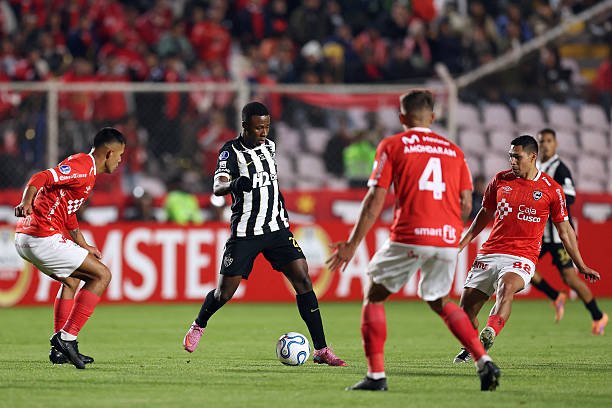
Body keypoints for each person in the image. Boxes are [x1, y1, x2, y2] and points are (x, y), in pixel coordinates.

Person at [326, 90, 499, 392]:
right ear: (433, 117)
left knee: (374, 295)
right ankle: (483, 360)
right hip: (447, 237)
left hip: (410, 232)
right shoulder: (454, 151)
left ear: (402, 117)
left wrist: (352, 244)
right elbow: (466, 204)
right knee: (440, 300)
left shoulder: (392, 145)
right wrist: (445, 227)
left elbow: (375, 199)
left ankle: (376, 376)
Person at [182, 102, 346, 366]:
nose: (264, 132)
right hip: (246, 231)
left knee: (303, 280)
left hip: (276, 228)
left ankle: (321, 349)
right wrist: (235, 183)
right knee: (224, 293)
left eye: (267, 126)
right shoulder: (230, 152)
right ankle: (199, 324)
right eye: (259, 127)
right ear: (245, 126)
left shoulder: (270, 146)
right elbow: (217, 186)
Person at [453, 135, 601, 364]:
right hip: (490, 252)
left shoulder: (552, 190)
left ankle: (490, 332)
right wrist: (462, 243)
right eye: (510, 156)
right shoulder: (500, 180)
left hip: (522, 256)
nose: (512, 161)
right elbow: (485, 214)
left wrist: (580, 265)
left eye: (517, 157)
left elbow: (565, 231)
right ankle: (473, 346)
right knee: (466, 312)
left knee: (506, 288)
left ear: (532, 157)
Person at [13, 127, 126, 369]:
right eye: (119, 155)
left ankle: (59, 350)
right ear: (109, 153)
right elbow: (41, 177)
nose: (120, 161)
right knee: (102, 275)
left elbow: (68, 212)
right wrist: (26, 201)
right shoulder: (82, 166)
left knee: (72, 281)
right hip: (41, 235)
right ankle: (67, 338)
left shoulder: (87, 172)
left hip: (28, 237)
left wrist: (84, 245)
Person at [531, 128, 607, 331]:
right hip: (539, 234)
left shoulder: (560, 169)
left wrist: (547, 199)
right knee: (523, 268)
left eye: (549, 141)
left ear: (555, 144)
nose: (545, 144)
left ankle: (598, 316)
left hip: (559, 235)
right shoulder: (535, 167)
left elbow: (570, 197)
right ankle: (555, 296)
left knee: (570, 279)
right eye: (542, 141)